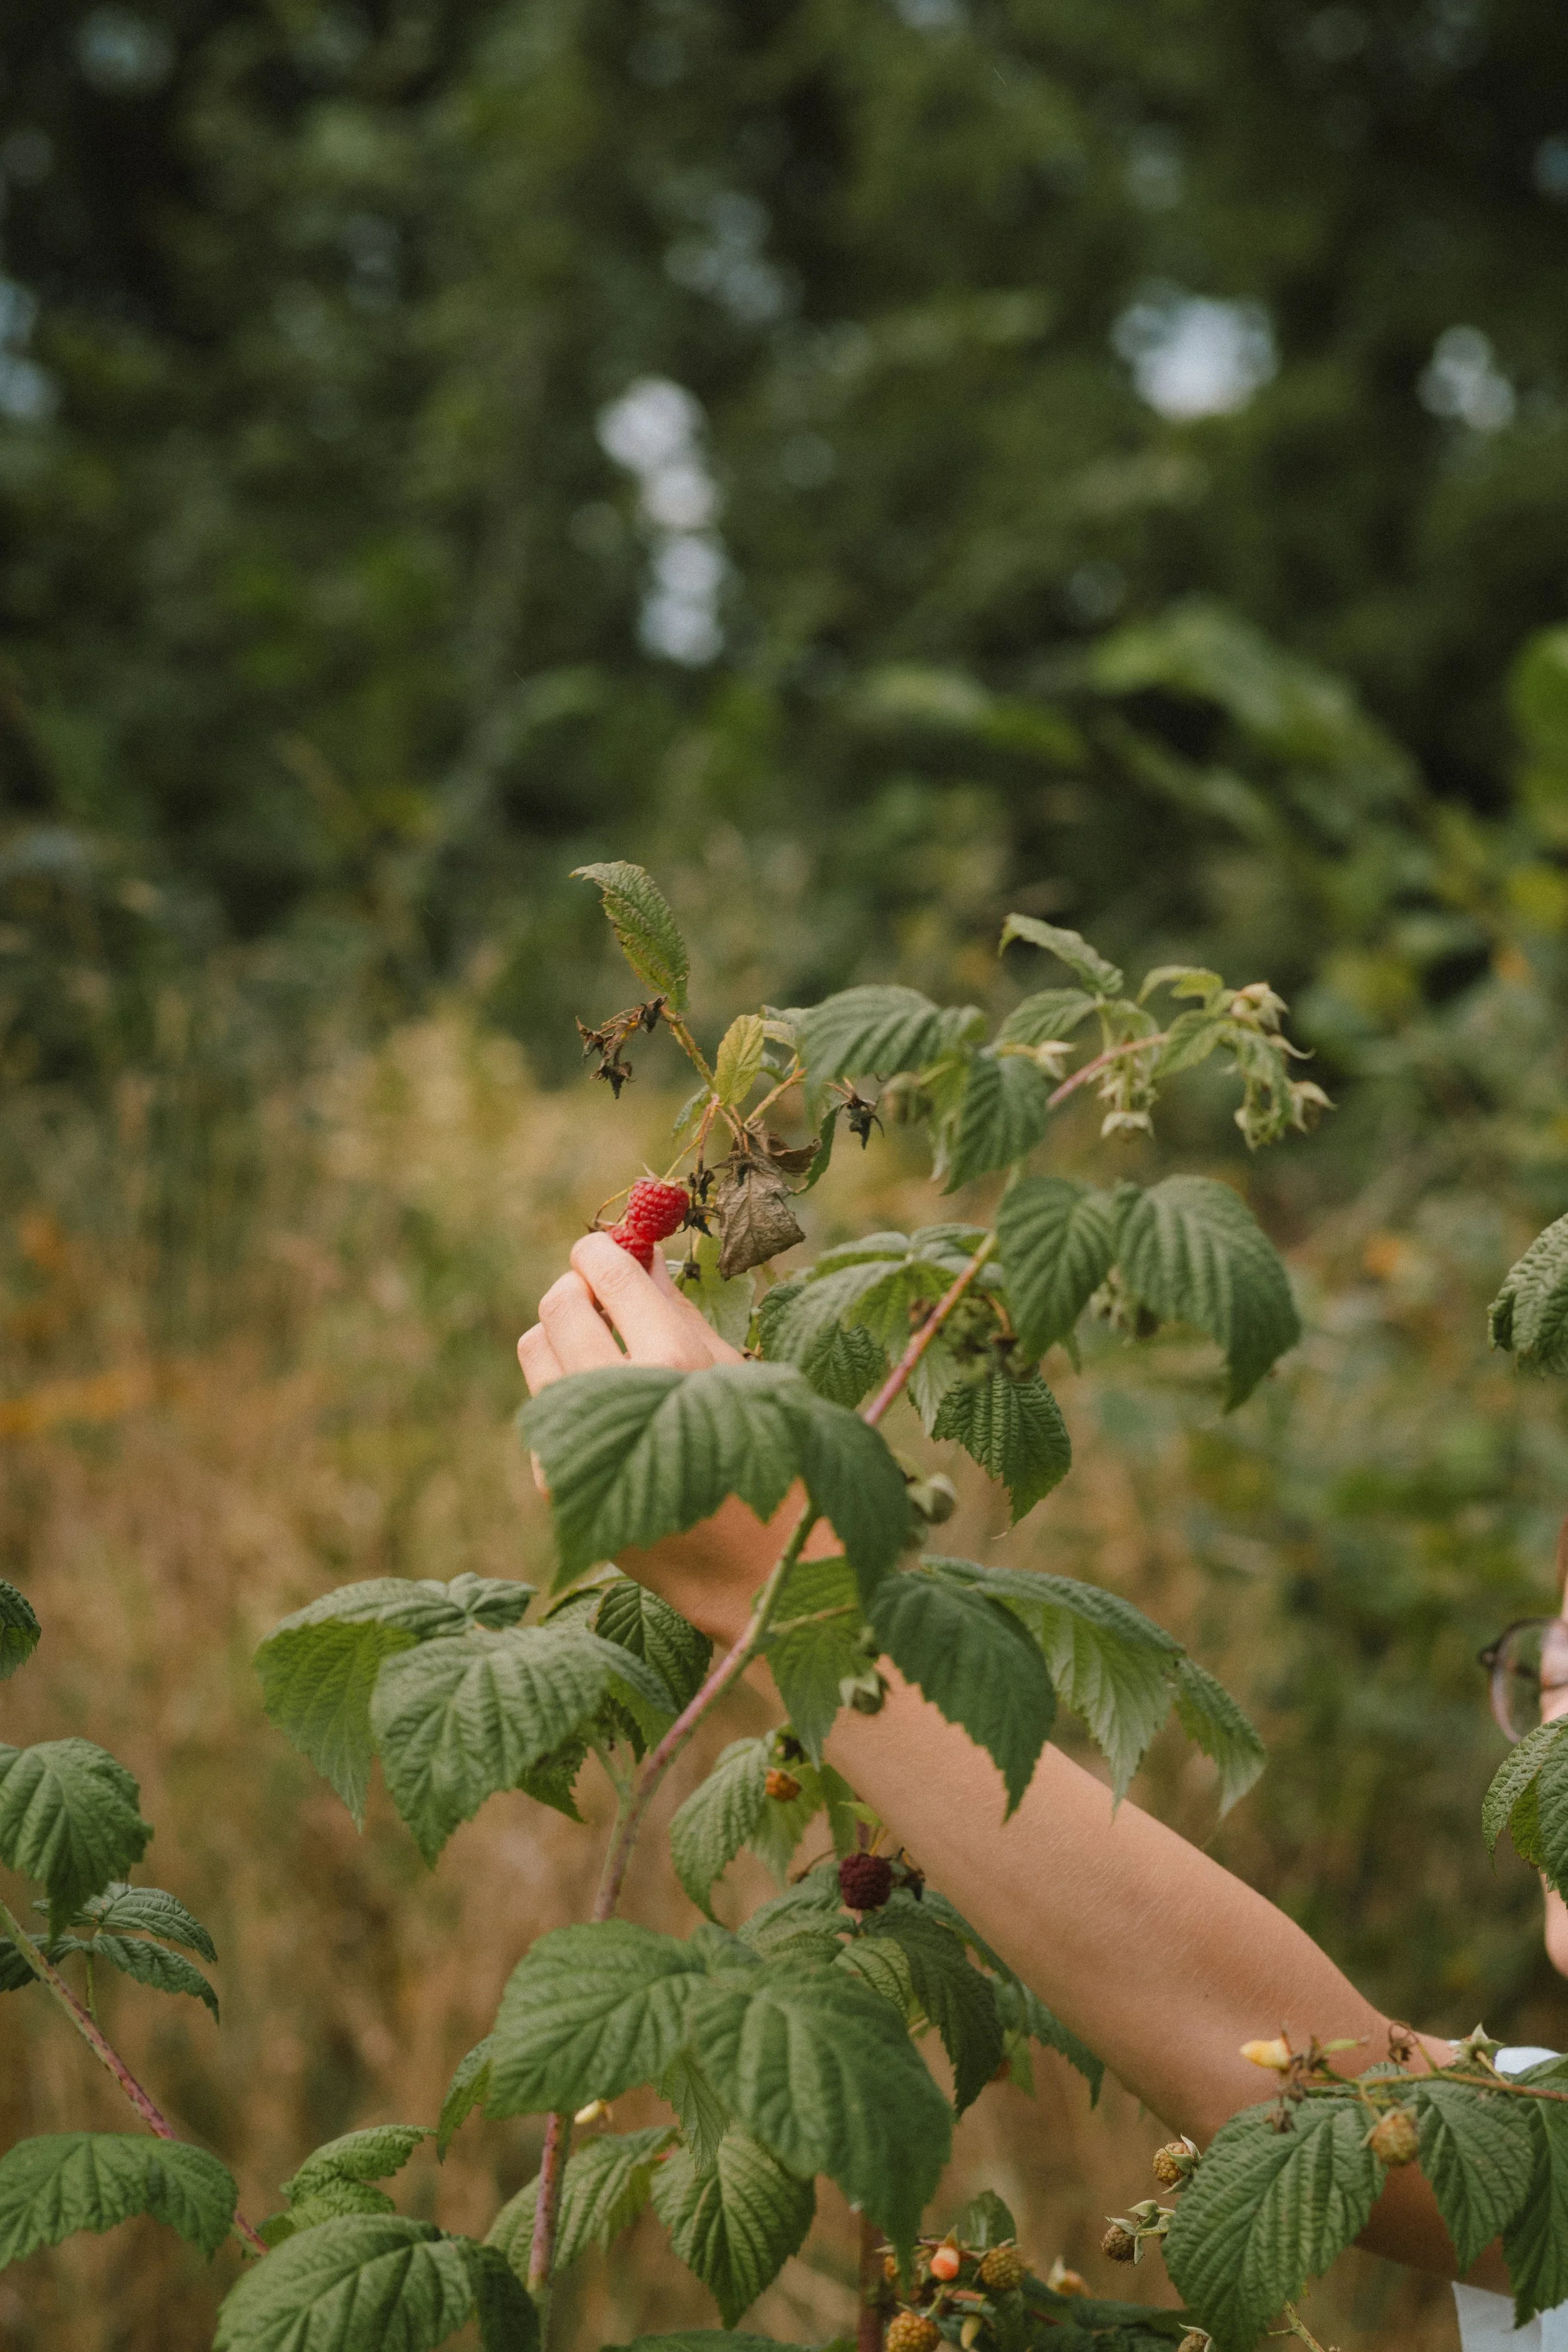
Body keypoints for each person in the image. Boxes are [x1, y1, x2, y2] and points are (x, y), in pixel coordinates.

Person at [519, 1232, 1568, 2352]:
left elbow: (1253, 2062)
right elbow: (1298, 2081)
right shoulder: (1533, 2140)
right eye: (1555, 1675)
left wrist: (793, 1584)